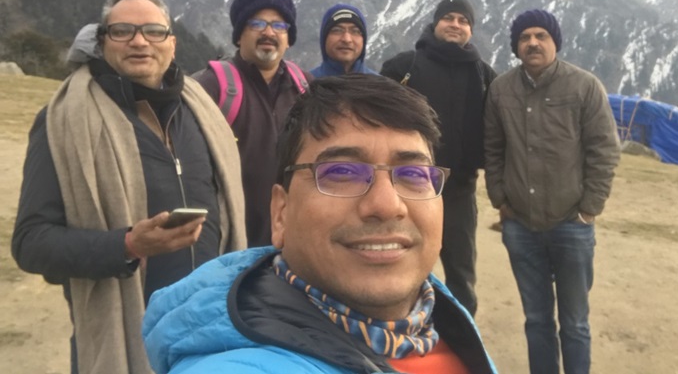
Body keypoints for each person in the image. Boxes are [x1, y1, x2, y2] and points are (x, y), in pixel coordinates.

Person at [143, 75, 498, 373]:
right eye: (342, 172)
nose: (387, 205)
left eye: (413, 174)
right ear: (281, 213)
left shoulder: (442, 319)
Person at [11, 0, 247, 374]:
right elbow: (31, 242)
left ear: (172, 43)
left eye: (154, 31)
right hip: (124, 338)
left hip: (209, 328)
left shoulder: (202, 114)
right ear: (102, 42)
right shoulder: (64, 121)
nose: (140, 41)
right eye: (122, 31)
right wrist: (128, 244)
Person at [483, 9, 620, 374]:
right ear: (516, 46)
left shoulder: (584, 86)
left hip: (571, 224)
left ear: (555, 41)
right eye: (524, 37)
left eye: (541, 35)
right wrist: (500, 199)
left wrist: (589, 209)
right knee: (536, 319)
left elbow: (604, 149)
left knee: (575, 323)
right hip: (521, 226)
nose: (532, 43)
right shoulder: (501, 90)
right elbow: (493, 149)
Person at [381, 0, 496, 316]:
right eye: (449, 18)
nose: (456, 25)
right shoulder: (403, 67)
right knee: (406, 270)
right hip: (409, 189)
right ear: (436, 23)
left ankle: (462, 343)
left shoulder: (485, 75)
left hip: (460, 190)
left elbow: (499, 133)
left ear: (471, 30)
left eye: (463, 20)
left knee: (462, 278)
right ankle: (402, 337)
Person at [194, 0, 311, 247]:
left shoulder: (304, 87)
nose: (269, 32)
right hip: (229, 243)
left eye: (279, 25)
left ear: (289, 38)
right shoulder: (211, 86)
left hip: (293, 242)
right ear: (239, 34)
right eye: (257, 23)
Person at [310, 3, 379, 77]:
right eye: (337, 30)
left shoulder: (380, 86)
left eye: (355, 31)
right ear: (324, 38)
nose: (347, 39)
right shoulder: (305, 85)